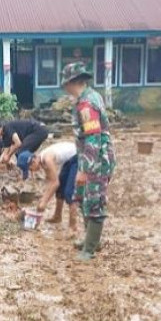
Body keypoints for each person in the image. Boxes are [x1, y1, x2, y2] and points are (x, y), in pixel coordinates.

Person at [60, 62, 116, 261]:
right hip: (91, 159)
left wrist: (85, 169)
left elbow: (93, 137)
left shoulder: (86, 104)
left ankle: (90, 248)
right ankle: (90, 240)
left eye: (65, 83)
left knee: (94, 201)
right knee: (84, 197)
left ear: (72, 82)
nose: (65, 88)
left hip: (97, 161)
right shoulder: (91, 96)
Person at [17, 141, 79, 231]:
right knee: (60, 189)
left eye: (30, 169)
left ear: (33, 161)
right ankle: (57, 217)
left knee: (69, 193)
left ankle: (73, 226)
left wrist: (43, 202)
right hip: (69, 160)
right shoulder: (42, 160)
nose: (32, 171)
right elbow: (51, 181)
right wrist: (43, 199)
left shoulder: (47, 159)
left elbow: (55, 182)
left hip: (77, 156)